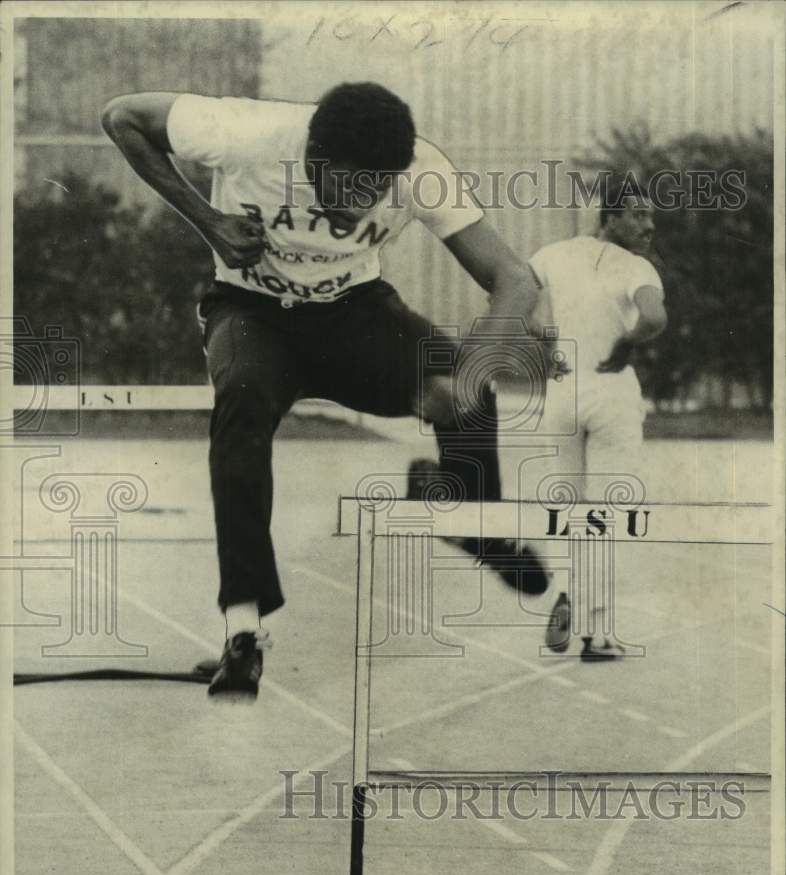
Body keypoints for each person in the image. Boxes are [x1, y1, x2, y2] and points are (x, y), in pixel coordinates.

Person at [101, 81, 545, 700]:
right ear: (313, 159)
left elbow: (516, 278)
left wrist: (470, 376)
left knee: (464, 388)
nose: (364, 207)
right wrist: (207, 221)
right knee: (242, 404)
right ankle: (244, 629)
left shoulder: (420, 169)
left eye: (378, 190)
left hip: (352, 314)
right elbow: (122, 117)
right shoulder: (243, 132)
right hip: (254, 311)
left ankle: (472, 519)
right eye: (350, 187)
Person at [530, 177, 668, 661]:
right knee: (605, 515)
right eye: (637, 215)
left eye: (650, 215)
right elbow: (653, 318)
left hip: (563, 393)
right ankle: (598, 633)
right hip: (611, 395)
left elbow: (516, 294)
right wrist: (628, 342)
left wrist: (547, 343)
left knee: (570, 512)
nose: (649, 224)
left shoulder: (553, 254)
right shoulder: (637, 266)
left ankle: (565, 593)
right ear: (609, 218)